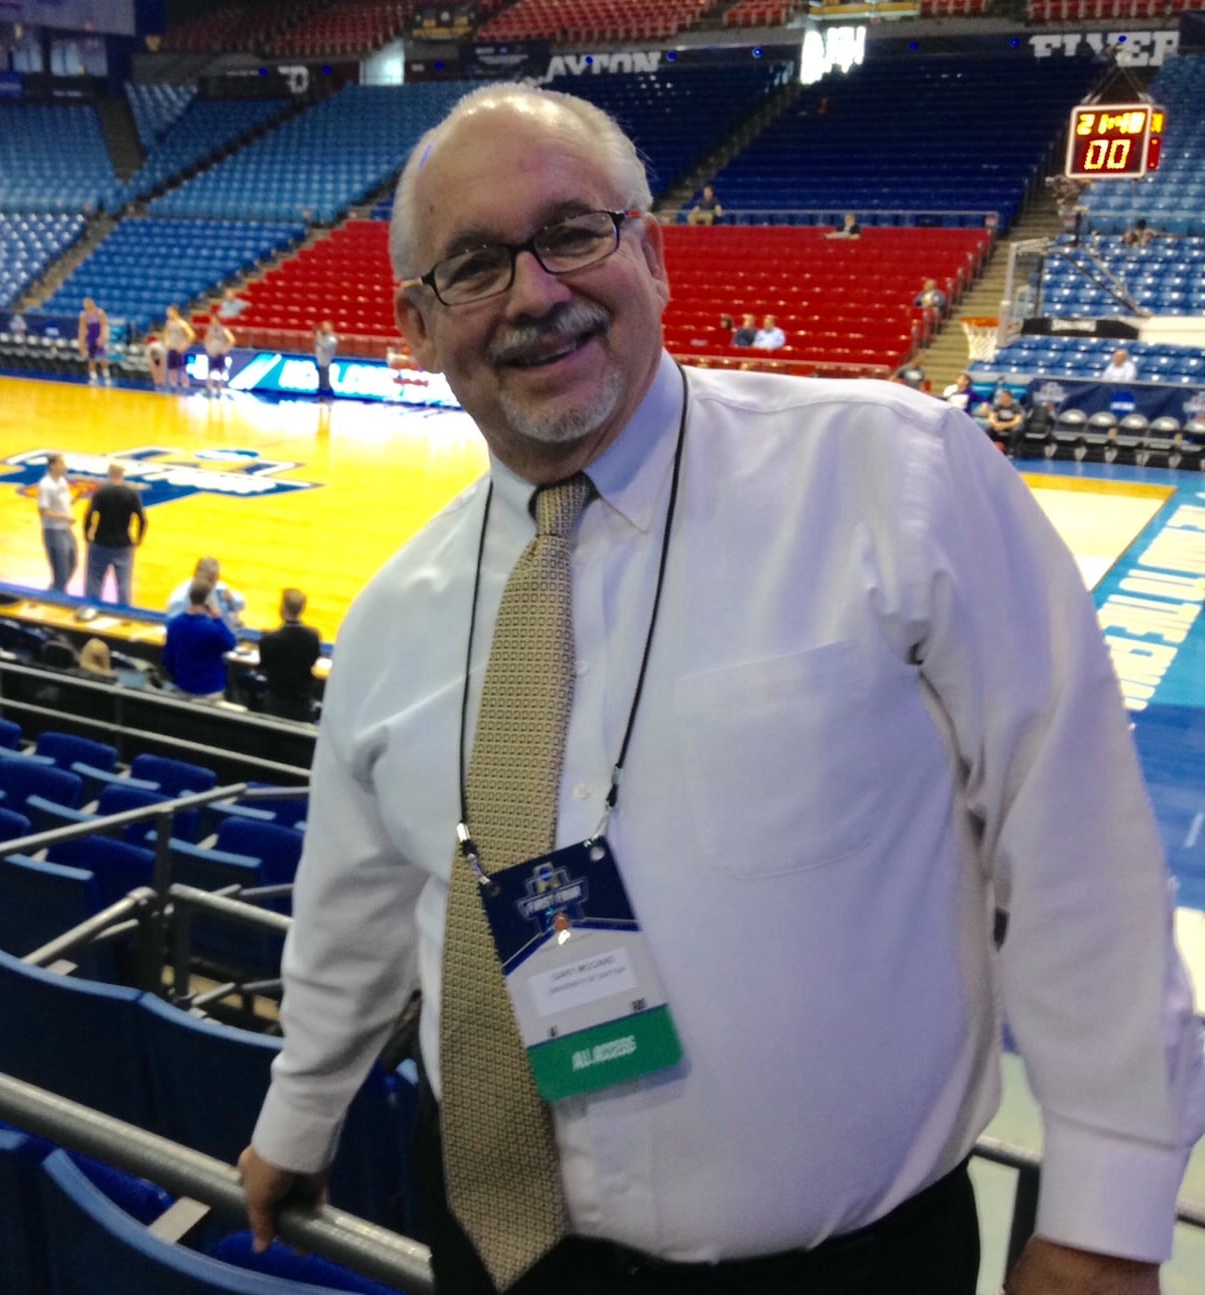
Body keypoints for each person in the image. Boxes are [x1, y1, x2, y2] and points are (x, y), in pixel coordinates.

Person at [239, 82, 1205, 1295]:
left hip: (840, 1266)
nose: (536, 292)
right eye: (474, 266)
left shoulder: (892, 477)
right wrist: (298, 1113)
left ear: (648, 250)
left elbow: (1076, 843)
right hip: (501, 1248)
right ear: (418, 330)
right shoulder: (392, 612)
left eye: (572, 233)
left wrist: (1106, 1211)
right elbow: (360, 896)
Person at [162, 577, 239, 700]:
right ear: (208, 600)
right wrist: (217, 618)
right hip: (210, 692)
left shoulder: (174, 624)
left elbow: (168, 659)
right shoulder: (212, 629)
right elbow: (231, 643)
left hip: (183, 688)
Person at [82, 461, 146, 607]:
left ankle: (90, 610)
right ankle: (125, 616)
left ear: (109, 473)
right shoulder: (131, 493)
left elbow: (89, 515)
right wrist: (139, 539)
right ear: (122, 474)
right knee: (123, 584)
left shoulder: (101, 492)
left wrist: (87, 535)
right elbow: (142, 519)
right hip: (123, 543)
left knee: (94, 581)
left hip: (100, 542)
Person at [257, 587, 321, 722]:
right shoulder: (313, 636)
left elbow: (262, 666)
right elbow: (313, 661)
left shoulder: (268, 639)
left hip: (275, 704)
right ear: (303, 608)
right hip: (301, 704)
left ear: (282, 607)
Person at [166, 555, 245, 634]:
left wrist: (232, 599)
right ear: (196, 576)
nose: (212, 584)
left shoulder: (219, 589)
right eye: (209, 580)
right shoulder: (181, 597)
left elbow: (240, 605)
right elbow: (173, 627)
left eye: (216, 579)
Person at [37, 453, 77, 595]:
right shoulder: (46, 485)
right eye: (61, 463)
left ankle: (54, 590)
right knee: (61, 568)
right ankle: (57, 595)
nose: (65, 466)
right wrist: (65, 517)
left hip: (65, 529)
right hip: (53, 531)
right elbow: (44, 511)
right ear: (53, 466)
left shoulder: (62, 481)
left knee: (72, 563)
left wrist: (73, 500)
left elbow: (64, 501)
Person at [203, 308, 235, 397]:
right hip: (212, 353)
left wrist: (225, 349)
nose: (212, 321)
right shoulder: (210, 330)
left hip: (220, 353)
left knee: (221, 371)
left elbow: (231, 340)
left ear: (218, 320)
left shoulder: (223, 330)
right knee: (210, 371)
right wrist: (208, 349)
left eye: (214, 320)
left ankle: (219, 388)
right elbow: (206, 340)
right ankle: (209, 388)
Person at [162, 305, 195, 391]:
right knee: (171, 368)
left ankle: (186, 385)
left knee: (181, 368)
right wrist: (166, 342)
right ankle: (173, 385)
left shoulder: (182, 324)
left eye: (170, 311)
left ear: (175, 312)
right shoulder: (168, 323)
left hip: (179, 349)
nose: (168, 313)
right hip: (171, 348)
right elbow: (166, 334)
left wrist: (184, 346)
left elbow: (191, 335)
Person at [79, 297, 111, 386]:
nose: (85, 305)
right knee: (91, 358)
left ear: (92, 303)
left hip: (99, 337)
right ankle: (93, 377)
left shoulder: (100, 312)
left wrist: (103, 337)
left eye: (87, 303)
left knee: (103, 357)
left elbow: (104, 326)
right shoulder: (84, 315)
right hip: (90, 338)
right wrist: (82, 343)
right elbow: (82, 329)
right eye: (84, 304)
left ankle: (106, 375)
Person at [986, 386, 1024, 450]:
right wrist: (996, 424)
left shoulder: (1017, 407)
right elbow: (991, 418)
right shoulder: (997, 406)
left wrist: (1004, 426)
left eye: (1003, 397)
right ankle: (987, 448)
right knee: (989, 429)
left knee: (1015, 431)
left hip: (1011, 426)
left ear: (1010, 398)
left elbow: (1017, 421)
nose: (1001, 398)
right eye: (1001, 397)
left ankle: (1011, 450)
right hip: (998, 425)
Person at [313, 320, 339, 400]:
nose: (324, 328)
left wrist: (318, 339)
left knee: (325, 378)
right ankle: (320, 395)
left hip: (327, 360)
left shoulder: (332, 338)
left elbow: (326, 346)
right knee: (321, 379)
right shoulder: (322, 336)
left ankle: (328, 395)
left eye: (326, 326)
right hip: (320, 360)